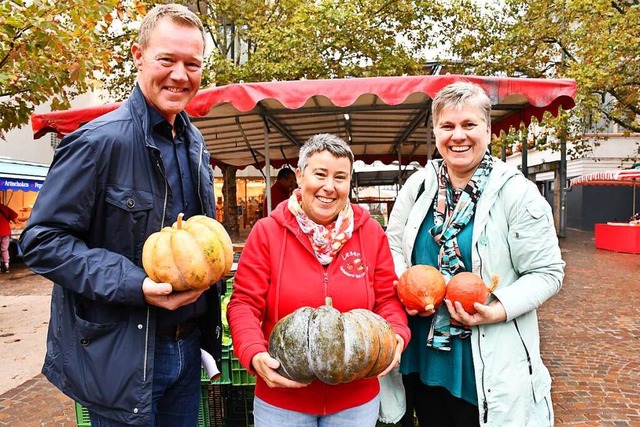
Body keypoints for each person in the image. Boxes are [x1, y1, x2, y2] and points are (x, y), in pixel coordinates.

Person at [19, 4, 222, 426]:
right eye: (166, 60)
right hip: (122, 354)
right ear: (137, 55)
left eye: (192, 64)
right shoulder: (97, 142)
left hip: (187, 351)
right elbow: (41, 241)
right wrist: (136, 284)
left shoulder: (194, 143)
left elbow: (197, 242)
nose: (180, 75)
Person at [386, 82, 564, 427]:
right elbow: (393, 245)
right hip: (421, 353)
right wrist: (403, 286)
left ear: (487, 128)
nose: (458, 136)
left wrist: (495, 310)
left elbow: (547, 273)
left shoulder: (517, 194)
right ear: (436, 131)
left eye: (469, 125)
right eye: (447, 126)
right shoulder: (418, 186)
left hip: (483, 358)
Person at [227, 133, 410, 427]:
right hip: (282, 399)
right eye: (320, 174)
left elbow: (388, 300)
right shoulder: (267, 232)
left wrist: (398, 335)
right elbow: (244, 304)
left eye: (340, 177)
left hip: (356, 401)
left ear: (349, 183)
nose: (329, 187)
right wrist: (253, 352)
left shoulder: (370, 233)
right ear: (300, 176)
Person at [0, 202, 18, 273]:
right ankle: (6, 266)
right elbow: (15, 216)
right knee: (4, 249)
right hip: (5, 231)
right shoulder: (4, 207)